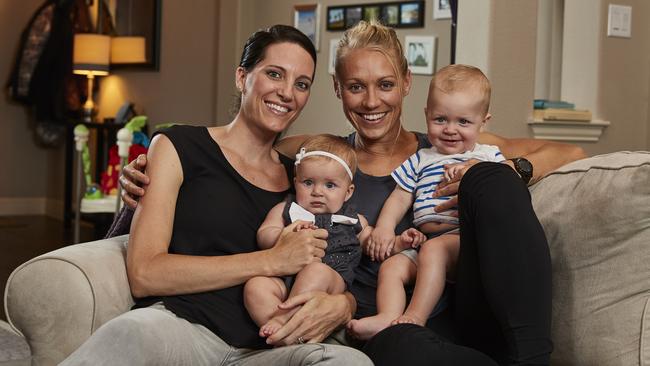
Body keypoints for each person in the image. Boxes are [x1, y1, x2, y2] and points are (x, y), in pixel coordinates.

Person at [115, 20, 587, 365]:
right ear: (338, 90)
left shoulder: (445, 144)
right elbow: (237, 163)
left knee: (490, 175)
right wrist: (148, 173)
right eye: (356, 87)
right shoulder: (315, 158)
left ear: (405, 85)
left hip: (468, 303)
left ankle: (530, 356)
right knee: (405, 348)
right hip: (387, 329)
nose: (372, 101)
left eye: (385, 85)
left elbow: (568, 151)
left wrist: (512, 167)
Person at [61, 25, 372, 365]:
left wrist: (346, 305)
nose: (287, 92)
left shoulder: (302, 178)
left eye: (301, 84)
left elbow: (342, 245)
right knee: (131, 332)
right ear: (242, 77)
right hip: (183, 327)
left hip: (270, 345)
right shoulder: (178, 147)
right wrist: (269, 260)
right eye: (274, 74)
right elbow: (144, 273)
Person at [347, 64, 506, 340]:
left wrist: (477, 172)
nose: (450, 130)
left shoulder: (486, 156)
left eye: (463, 122)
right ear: (426, 115)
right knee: (392, 267)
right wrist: (384, 228)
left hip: (465, 241)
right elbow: (400, 196)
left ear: (484, 121)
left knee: (434, 251)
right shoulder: (422, 158)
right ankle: (387, 317)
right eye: (440, 119)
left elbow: (507, 188)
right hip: (428, 244)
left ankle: (414, 319)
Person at [245, 134, 424, 338]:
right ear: (296, 182)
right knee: (255, 286)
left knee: (315, 271)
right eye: (308, 182)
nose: (317, 192)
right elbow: (264, 234)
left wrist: (401, 242)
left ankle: (284, 322)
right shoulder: (287, 210)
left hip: (330, 279)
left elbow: (374, 243)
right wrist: (284, 236)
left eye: (330, 185)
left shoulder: (352, 219)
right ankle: (285, 335)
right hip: (284, 278)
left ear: (348, 192)